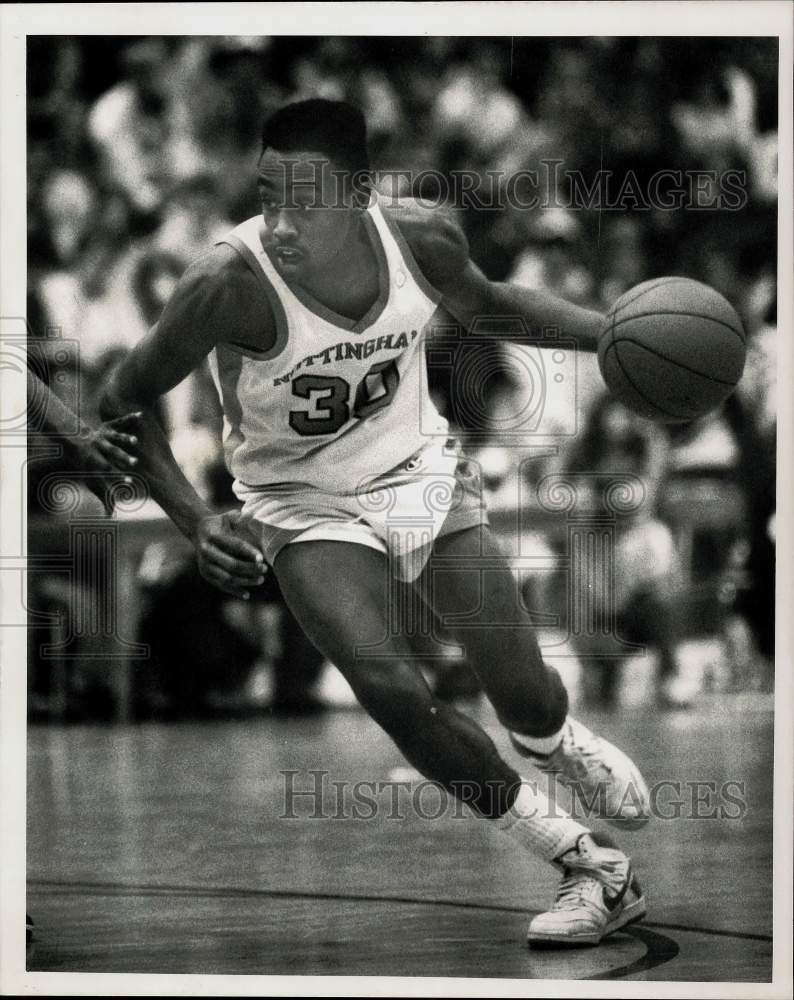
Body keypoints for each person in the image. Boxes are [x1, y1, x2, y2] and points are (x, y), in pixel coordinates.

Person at [100, 99, 651, 948]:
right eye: (268, 194)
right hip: (297, 499)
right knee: (393, 690)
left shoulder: (419, 238)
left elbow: (492, 306)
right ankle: (591, 866)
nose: (281, 222)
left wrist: (614, 334)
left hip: (414, 468)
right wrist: (194, 516)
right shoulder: (225, 286)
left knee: (524, 690)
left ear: (360, 196)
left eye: (306, 201)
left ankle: (557, 739)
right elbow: (121, 400)